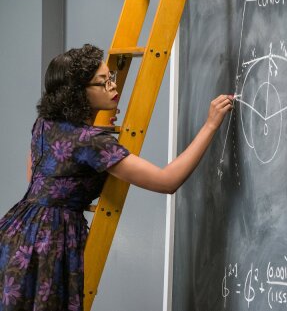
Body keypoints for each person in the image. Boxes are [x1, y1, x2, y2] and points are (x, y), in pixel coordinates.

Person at [0, 44, 234, 311]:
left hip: (16, 231)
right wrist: (211, 124)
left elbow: (35, 174)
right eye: (103, 82)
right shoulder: (92, 143)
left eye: (110, 77)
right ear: (77, 94)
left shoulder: (45, 124)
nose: (113, 86)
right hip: (49, 245)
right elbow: (168, 181)